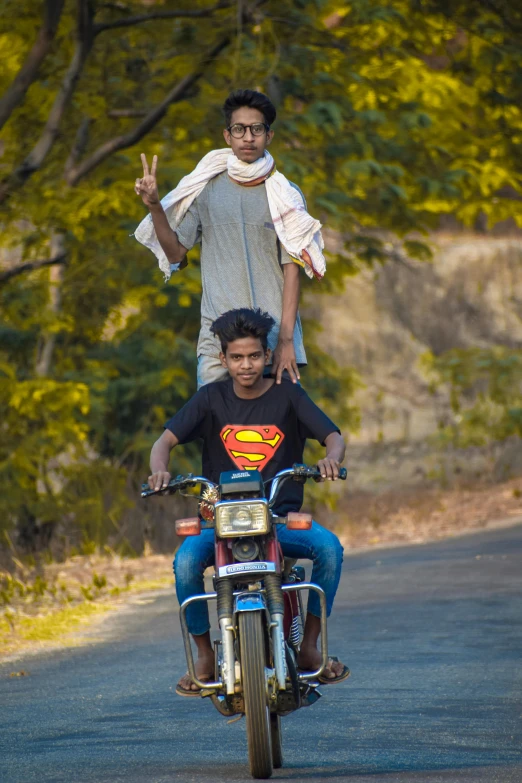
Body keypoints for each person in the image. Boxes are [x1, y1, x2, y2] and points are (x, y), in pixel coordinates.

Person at [148, 307, 349, 696]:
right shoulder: (210, 398)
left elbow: (333, 436)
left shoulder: (289, 396)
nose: (246, 365)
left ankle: (309, 648)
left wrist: (330, 459)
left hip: (280, 517)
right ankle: (204, 655)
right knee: (186, 561)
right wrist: (160, 471)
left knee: (329, 549)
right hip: (218, 520)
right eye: (237, 357)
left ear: (268, 356)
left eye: (254, 356)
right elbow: (165, 441)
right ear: (222, 359)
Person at [134, 89, 326, 389]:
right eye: (239, 129)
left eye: (256, 129)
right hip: (218, 345)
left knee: (281, 432)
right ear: (227, 136)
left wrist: (286, 340)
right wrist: (155, 206)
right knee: (217, 432)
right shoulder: (206, 189)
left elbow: (292, 271)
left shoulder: (286, 195)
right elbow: (174, 254)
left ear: (269, 136)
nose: (248, 137)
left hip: (273, 342)